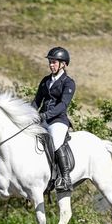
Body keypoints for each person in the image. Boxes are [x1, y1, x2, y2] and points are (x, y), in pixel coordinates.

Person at [32, 46, 76, 192]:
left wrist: (46, 115)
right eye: (50, 62)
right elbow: (37, 101)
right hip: (43, 119)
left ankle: (65, 178)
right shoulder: (45, 81)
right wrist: (29, 115)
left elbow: (63, 104)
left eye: (54, 62)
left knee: (55, 141)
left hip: (58, 120)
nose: (51, 65)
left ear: (63, 64)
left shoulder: (68, 83)